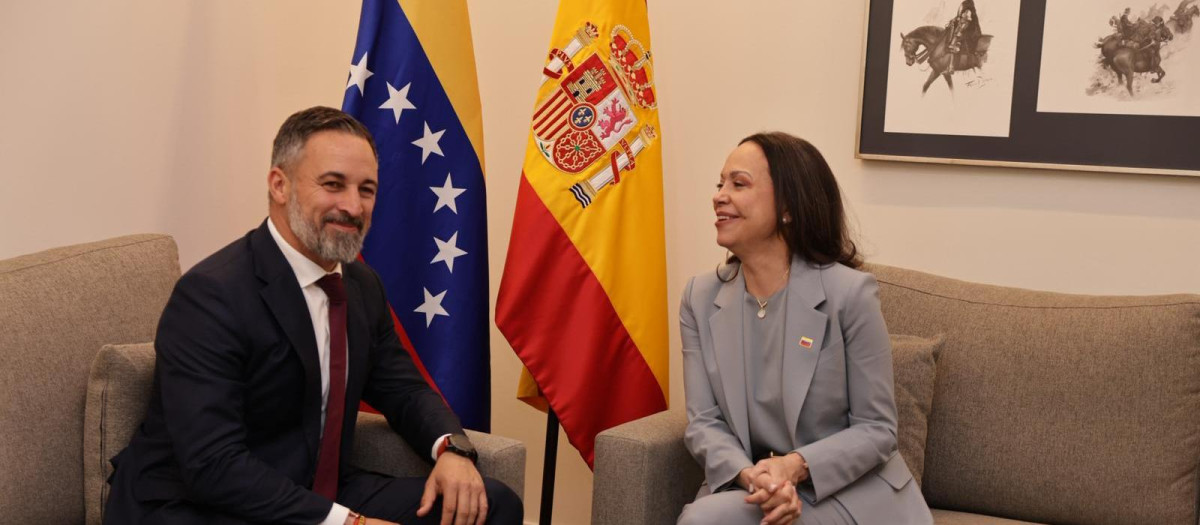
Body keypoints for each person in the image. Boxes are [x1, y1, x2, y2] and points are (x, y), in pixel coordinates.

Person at [103, 106, 521, 525]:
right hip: (202, 503)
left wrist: (452, 449)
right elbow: (213, 464)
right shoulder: (211, 295)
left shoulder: (361, 285)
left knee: (491, 506)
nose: (353, 207)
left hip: (314, 488)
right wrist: (349, 523)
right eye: (333, 185)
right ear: (279, 185)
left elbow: (404, 390)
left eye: (367, 189)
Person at [676, 132, 932, 525]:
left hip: (850, 491)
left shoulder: (849, 294)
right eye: (720, 183)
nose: (719, 195)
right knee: (700, 521)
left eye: (739, 184)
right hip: (756, 489)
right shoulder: (699, 297)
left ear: (788, 208)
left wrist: (794, 467)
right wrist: (756, 477)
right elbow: (704, 423)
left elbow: (877, 429)